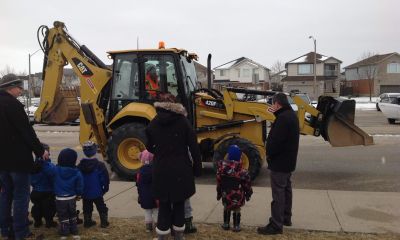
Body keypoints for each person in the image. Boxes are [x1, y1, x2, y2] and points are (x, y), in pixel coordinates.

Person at [145, 93, 202, 240]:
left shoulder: (153, 123)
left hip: (161, 168)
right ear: (175, 104)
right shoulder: (183, 122)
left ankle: (162, 236)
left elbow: (149, 147)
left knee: (163, 204)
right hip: (181, 169)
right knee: (179, 203)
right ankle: (179, 236)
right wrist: (197, 167)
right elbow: (194, 147)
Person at [0, 74, 49, 240]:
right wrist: (40, 151)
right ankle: (22, 233)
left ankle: (5, 231)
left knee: (5, 195)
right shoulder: (13, 105)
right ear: (11, 87)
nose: (21, 90)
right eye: (19, 87)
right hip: (18, 161)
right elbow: (26, 132)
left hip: (2, 162)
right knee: (21, 197)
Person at [257, 92, 300, 235]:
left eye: (272, 104)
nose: (271, 107)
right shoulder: (291, 115)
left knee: (278, 194)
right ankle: (286, 217)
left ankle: (276, 224)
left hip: (280, 162)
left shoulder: (283, 119)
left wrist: (269, 154)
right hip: (288, 161)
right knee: (286, 190)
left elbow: (275, 142)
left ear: (277, 104)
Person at [41, 148, 83, 239]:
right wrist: (79, 194)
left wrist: (45, 160)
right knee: (72, 214)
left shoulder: (56, 170)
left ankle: (64, 231)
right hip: (72, 197)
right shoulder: (76, 172)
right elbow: (79, 185)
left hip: (60, 198)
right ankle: (74, 230)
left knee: (63, 215)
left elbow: (47, 169)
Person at [216, 145, 253, 232]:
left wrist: (219, 193)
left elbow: (219, 182)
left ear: (228, 156)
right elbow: (247, 184)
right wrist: (249, 193)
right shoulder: (242, 171)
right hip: (238, 196)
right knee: (237, 209)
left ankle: (226, 224)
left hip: (226, 195)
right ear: (240, 157)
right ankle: (236, 226)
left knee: (226, 207)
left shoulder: (221, 169)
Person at [77, 141, 110, 229]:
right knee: (101, 206)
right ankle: (104, 222)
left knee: (87, 207)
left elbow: (78, 180)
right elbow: (105, 179)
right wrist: (105, 188)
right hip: (97, 191)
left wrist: (79, 191)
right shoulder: (100, 165)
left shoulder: (80, 166)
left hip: (85, 192)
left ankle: (87, 221)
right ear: (95, 150)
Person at [30, 143, 57, 229]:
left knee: (37, 207)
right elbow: (54, 175)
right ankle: (49, 222)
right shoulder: (48, 166)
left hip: (36, 191)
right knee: (49, 208)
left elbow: (31, 179)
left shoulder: (33, 166)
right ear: (47, 154)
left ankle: (37, 221)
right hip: (47, 192)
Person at [136, 150, 158, 233]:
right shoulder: (156, 170)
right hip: (155, 196)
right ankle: (157, 226)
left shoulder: (139, 172)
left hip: (144, 196)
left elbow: (138, 185)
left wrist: (140, 194)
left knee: (147, 212)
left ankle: (148, 228)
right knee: (156, 211)